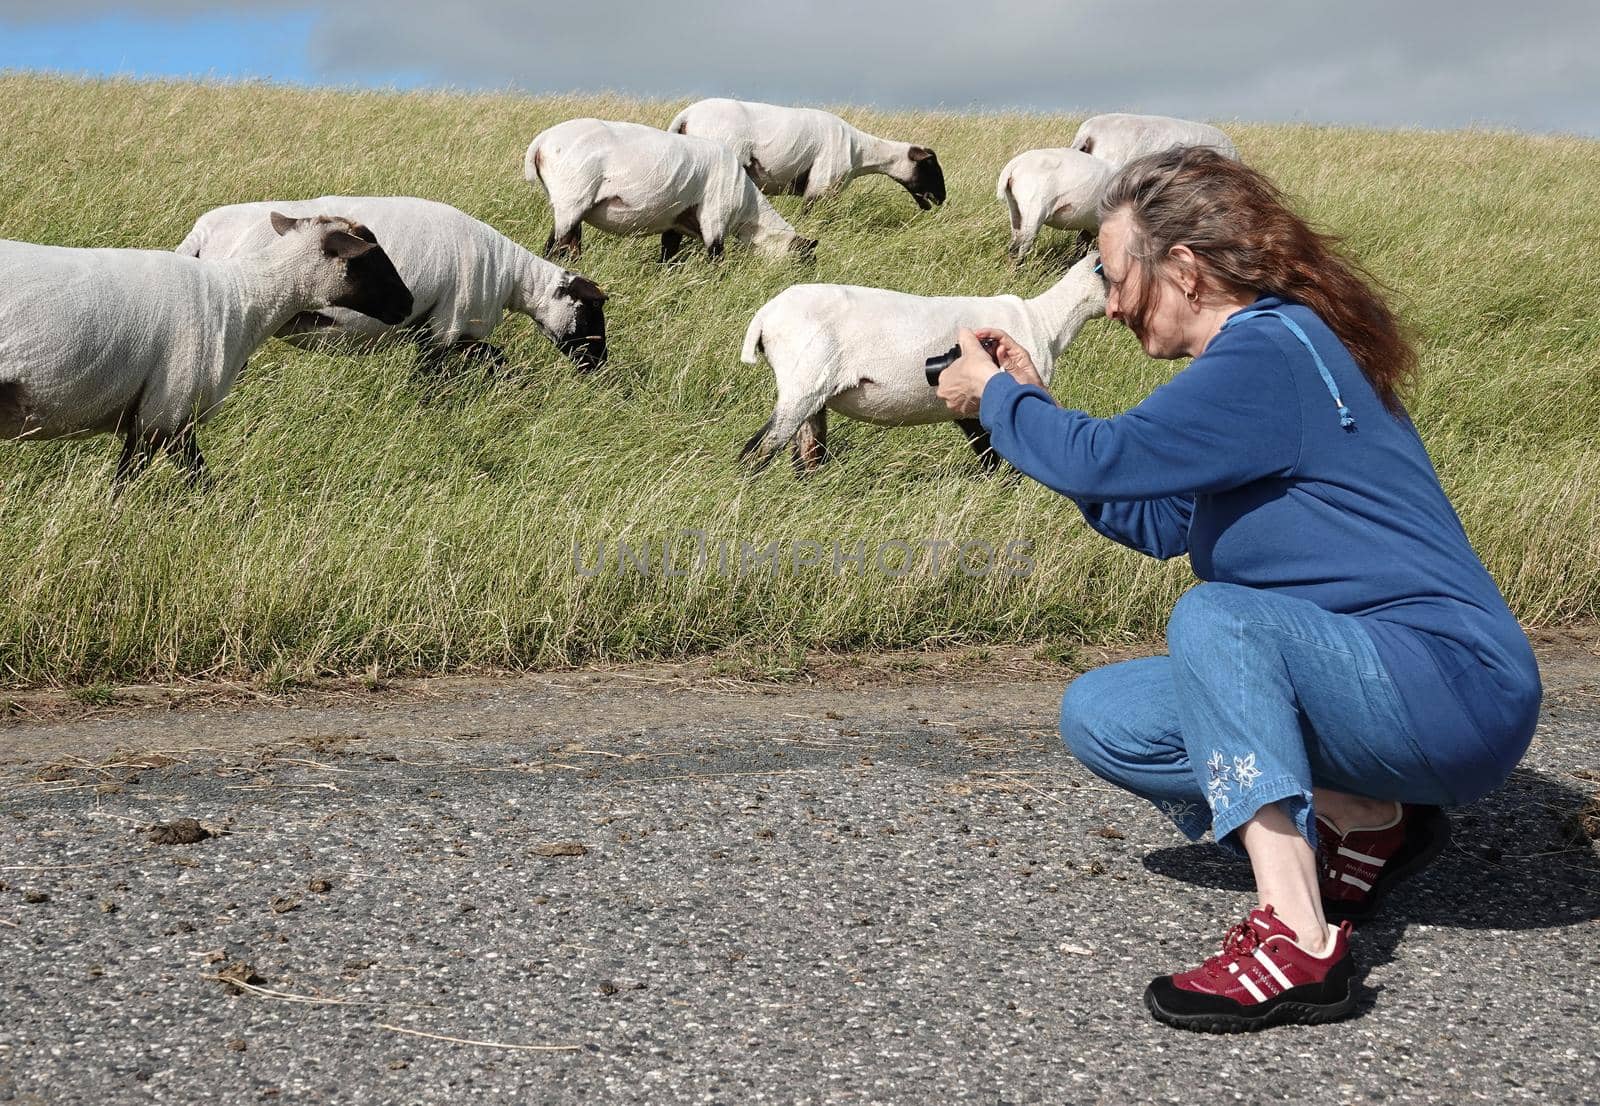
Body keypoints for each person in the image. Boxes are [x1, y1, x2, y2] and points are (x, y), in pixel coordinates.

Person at [934, 146, 1541, 1034]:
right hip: (1373, 681)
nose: (1107, 303)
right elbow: (1156, 520)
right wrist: (1028, 401)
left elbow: (1102, 455)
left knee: (1216, 616)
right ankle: (1369, 820)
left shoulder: (1270, 352)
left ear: (1181, 267)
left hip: (1453, 687)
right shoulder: (1259, 366)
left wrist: (1000, 403)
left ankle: (1299, 942)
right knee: (1104, 715)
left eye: (1113, 274)